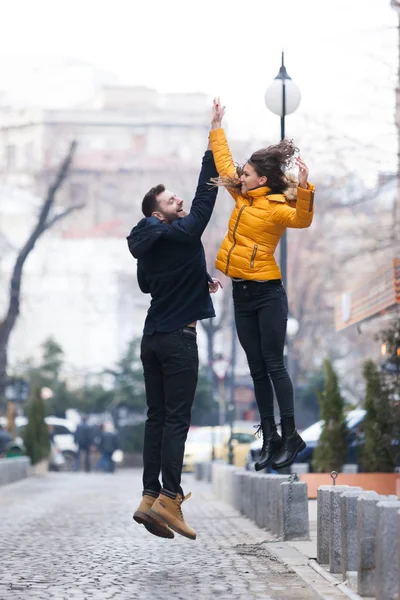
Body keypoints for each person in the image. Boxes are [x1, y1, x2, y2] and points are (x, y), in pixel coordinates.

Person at [127, 103, 221, 541]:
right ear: (158, 212)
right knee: (176, 420)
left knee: (157, 418)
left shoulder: (150, 245)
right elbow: (207, 192)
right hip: (179, 340)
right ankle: (170, 497)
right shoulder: (182, 231)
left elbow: (149, 284)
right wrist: (214, 138)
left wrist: (198, 279)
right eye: (170, 200)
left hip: (152, 339)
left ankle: (148, 497)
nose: (180, 200)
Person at [209, 98, 315, 472]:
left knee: (274, 364)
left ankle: (290, 435)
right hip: (241, 294)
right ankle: (269, 438)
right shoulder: (241, 195)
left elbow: (302, 220)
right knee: (255, 368)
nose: (242, 176)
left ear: (263, 180)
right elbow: (224, 165)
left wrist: (304, 188)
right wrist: (217, 127)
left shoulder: (275, 207)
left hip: (268, 293)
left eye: (248, 173)